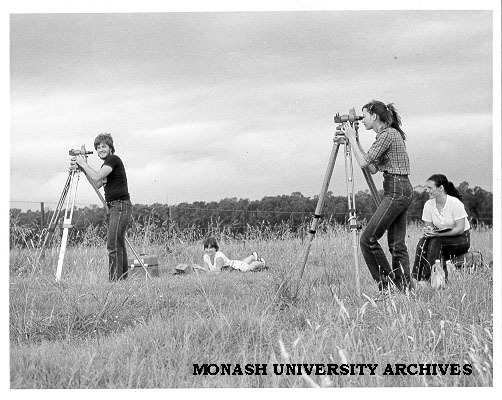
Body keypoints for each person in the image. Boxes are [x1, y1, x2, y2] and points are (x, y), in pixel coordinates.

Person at [341, 100, 413, 296]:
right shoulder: (387, 135)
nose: (362, 120)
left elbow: (364, 162)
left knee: (368, 239)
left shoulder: (387, 134)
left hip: (397, 189)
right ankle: (405, 290)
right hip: (400, 188)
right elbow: (372, 168)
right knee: (397, 245)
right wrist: (356, 141)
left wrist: (352, 139)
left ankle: (387, 286)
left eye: (364, 116)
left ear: (374, 116)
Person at [74, 133, 133, 281]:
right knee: (118, 244)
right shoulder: (106, 165)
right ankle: (122, 280)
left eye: (104, 146)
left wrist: (84, 164)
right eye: (98, 147)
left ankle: (114, 281)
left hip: (120, 206)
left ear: (110, 147)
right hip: (114, 207)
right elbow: (97, 184)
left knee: (113, 245)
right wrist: (83, 168)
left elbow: (97, 176)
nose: (101, 149)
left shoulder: (113, 160)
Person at [412, 174, 470, 282]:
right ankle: (415, 278)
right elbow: (428, 226)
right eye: (427, 188)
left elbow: (460, 229)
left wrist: (438, 234)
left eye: (430, 188)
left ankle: (428, 279)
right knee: (423, 241)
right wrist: (429, 231)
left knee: (436, 241)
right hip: (440, 237)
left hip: (461, 238)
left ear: (441, 188)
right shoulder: (428, 205)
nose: (427, 191)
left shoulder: (455, 203)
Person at [202, 237, 267, 272]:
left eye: (211, 248)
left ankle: (261, 263)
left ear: (215, 248)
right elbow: (207, 271)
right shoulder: (206, 257)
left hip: (234, 266)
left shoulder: (219, 257)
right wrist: (199, 269)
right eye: (206, 248)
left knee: (248, 268)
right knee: (243, 263)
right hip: (233, 264)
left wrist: (201, 268)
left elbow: (217, 273)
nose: (208, 250)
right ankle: (252, 257)